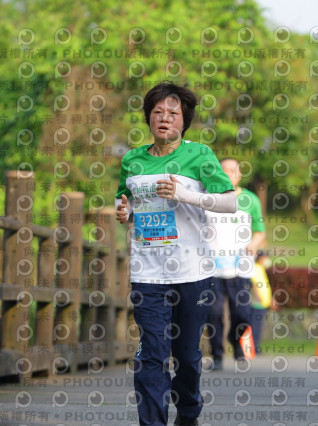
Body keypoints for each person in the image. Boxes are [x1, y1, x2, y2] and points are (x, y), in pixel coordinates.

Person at [115, 82, 236, 426]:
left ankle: (188, 412)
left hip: (192, 272)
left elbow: (230, 201)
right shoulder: (132, 159)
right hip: (148, 273)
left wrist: (187, 195)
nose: (164, 118)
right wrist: (123, 211)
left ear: (184, 121)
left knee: (185, 354)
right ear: (148, 118)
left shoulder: (200, 156)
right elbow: (124, 199)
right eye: (157, 112)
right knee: (152, 353)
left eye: (172, 113)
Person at [205, 158, 266, 370]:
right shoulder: (208, 197)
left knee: (242, 314)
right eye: (225, 171)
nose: (229, 174)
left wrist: (254, 244)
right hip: (212, 268)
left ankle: (236, 341)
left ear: (239, 174)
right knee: (213, 314)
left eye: (233, 170)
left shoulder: (250, 200)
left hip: (241, 267)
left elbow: (260, 231)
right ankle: (217, 356)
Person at [249, 250, 273, 354]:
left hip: (262, 303)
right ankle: (254, 347)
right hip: (257, 303)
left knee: (258, 326)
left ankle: (256, 346)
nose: (267, 260)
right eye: (266, 258)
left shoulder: (261, 269)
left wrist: (270, 299)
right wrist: (259, 297)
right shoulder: (255, 268)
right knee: (255, 326)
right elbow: (255, 284)